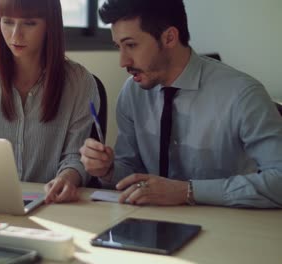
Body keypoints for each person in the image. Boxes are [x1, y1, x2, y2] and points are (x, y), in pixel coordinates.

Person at [80, 0, 282, 208]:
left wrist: (187, 191)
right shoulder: (132, 93)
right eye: (118, 46)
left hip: (226, 226)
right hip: (149, 224)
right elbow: (131, 171)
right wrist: (108, 169)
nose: (123, 61)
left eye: (131, 45)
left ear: (169, 38)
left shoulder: (243, 94)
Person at [0, 0, 99, 203]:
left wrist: (66, 179)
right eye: (7, 22)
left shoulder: (79, 82)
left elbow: (76, 155)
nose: (15, 35)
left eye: (29, 23)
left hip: (52, 203)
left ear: (50, 24)